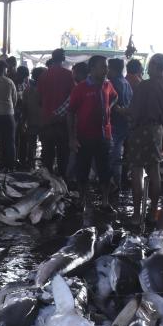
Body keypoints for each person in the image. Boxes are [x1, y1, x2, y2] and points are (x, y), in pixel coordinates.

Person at [125, 53, 163, 225]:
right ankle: (153, 212)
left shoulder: (145, 85)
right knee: (154, 171)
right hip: (158, 131)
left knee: (137, 171)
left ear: (154, 65)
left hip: (141, 129)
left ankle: (137, 214)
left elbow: (133, 111)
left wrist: (119, 110)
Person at [68, 55, 118, 212]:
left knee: (105, 170)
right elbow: (70, 113)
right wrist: (72, 137)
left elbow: (115, 97)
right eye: (102, 66)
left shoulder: (108, 85)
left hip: (104, 136)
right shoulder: (80, 88)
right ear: (92, 69)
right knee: (82, 170)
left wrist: (107, 107)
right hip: (84, 136)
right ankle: (82, 199)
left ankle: (104, 201)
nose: (106, 69)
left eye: (106, 66)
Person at [38, 48, 75, 176]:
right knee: (63, 155)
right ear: (63, 58)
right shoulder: (68, 75)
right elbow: (73, 98)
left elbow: (40, 99)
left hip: (47, 120)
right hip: (62, 121)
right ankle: (62, 182)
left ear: (52, 58)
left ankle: (48, 183)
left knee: (47, 155)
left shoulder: (43, 76)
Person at [107, 58, 134, 192]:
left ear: (112, 68)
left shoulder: (112, 83)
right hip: (125, 124)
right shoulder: (126, 82)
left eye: (107, 67)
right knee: (121, 154)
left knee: (114, 155)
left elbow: (110, 104)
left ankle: (114, 183)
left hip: (115, 123)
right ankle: (121, 180)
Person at [19, 66, 45, 170]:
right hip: (44, 123)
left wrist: (23, 122)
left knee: (32, 146)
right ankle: (45, 167)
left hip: (31, 122)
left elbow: (24, 109)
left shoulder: (28, 90)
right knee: (45, 146)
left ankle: (30, 165)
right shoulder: (46, 90)